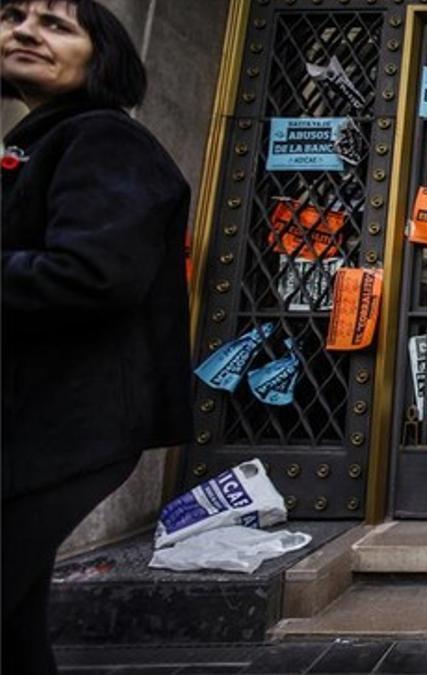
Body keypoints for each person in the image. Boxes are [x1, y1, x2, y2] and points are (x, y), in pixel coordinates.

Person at [1, 0, 192, 671]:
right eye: (13, 15)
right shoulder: (42, 140)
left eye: (55, 24)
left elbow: (93, 273)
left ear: (102, 54)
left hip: (61, 423)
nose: (24, 30)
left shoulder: (103, 139)